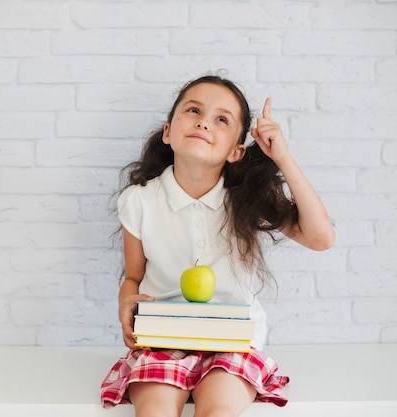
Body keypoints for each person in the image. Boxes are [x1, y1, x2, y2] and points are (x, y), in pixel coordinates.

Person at [100, 75, 335, 417]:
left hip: (233, 343)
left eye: (221, 119)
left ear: (237, 151)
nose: (203, 122)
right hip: (164, 339)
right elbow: (133, 277)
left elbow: (321, 238)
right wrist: (126, 302)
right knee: (154, 411)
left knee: (218, 410)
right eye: (193, 110)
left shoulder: (247, 199)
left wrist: (282, 157)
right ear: (168, 132)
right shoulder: (139, 200)